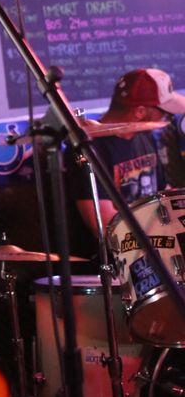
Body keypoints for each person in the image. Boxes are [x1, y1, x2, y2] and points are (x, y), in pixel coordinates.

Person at [65, 68, 185, 257]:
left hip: (157, 243)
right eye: (165, 113)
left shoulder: (144, 136)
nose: (166, 120)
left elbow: (163, 191)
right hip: (122, 257)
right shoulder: (89, 149)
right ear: (140, 111)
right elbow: (103, 225)